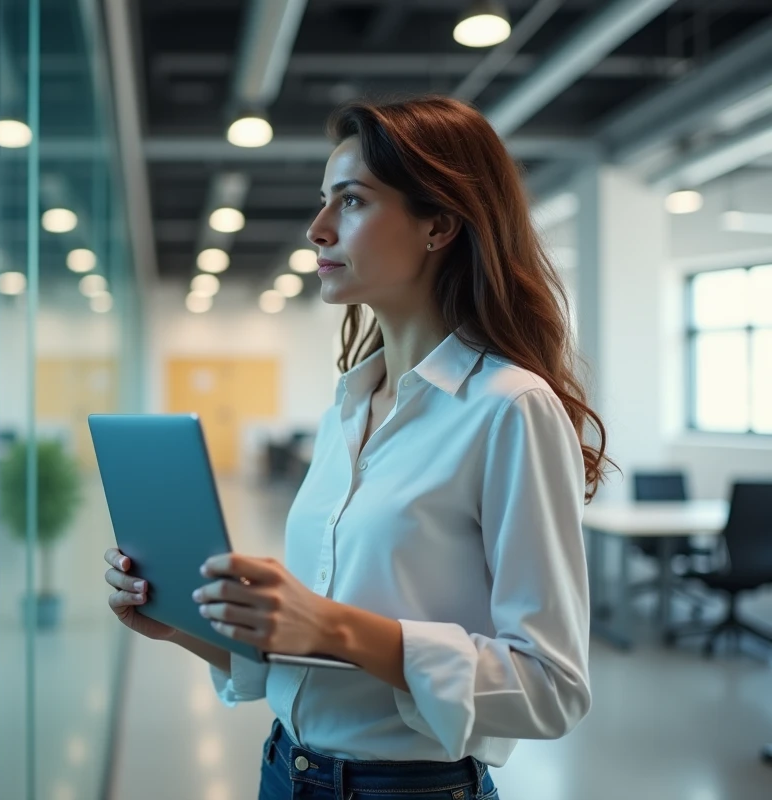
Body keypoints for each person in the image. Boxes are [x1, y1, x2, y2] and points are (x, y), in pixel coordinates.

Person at [103, 96, 611, 800]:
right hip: (287, 770)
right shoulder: (346, 407)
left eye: (350, 202)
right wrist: (189, 627)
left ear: (439, 223)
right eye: (324, 202)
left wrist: (336, 626)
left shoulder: (510, 409)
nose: (317, 229)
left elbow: (551, 688)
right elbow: (312, 660)